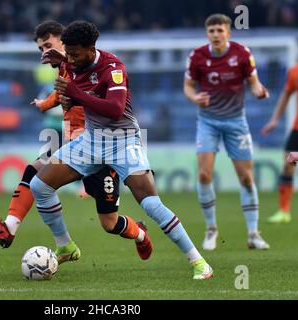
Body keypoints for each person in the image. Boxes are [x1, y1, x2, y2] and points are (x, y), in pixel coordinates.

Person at [29, 20, 213, 280]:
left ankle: (199, 263)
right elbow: (72, 77)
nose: (70, 58)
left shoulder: (113, 68)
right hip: (91, 141)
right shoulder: (72, 62)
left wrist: (75, 93)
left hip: (123, 141)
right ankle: (66, 245)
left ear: (91, 49)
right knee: (39, 186)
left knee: (151, 204)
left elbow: (115, 110)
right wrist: (63, 63)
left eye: (75, 53)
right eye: (67, 53)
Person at [0, 21, 153, 264]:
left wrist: (51, 104)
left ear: (63, 42)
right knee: (35, 173)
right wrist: (45, 104)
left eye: (48, 45)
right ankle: (20, 229)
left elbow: (95, 99)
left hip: (100, 144)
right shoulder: (64, 68)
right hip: (72, 142)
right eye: (40, 49)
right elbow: (62, 94)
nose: (44, 52)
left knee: (109, 223)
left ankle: (140, 233)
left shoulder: (82, 65)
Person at [183, 14, 270, 251]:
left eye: (220, 31)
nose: (216, 35)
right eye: (212, 31)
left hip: (236, 122)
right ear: (207, 34)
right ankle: (211, 229)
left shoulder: (242, 53)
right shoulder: (197, 56)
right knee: (203, 175)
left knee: (246, 178)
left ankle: (253, 233)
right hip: (208, 121)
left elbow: (253, 82)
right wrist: (195, 98)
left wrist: (258, 91)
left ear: (228, 33)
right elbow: (188, 87)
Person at [262, 34, 298, 224]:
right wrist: (274, 120)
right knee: (288, 163)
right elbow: (285, 96)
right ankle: (284, 211)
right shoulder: (295, 72)